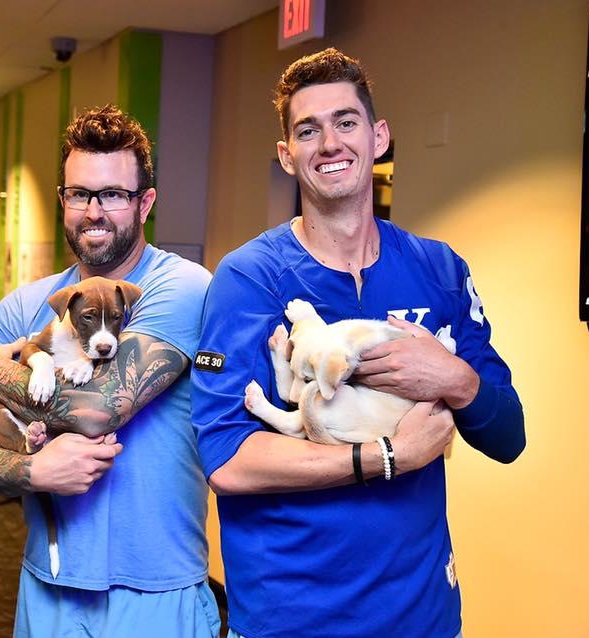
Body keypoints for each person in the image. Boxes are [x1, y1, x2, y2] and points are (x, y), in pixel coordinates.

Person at [191, 48, 526, 638]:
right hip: (291, 617)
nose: (330, 143)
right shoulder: (249, 279)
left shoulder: (439, 269)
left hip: (421, 616)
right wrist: (386, 458)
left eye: (346, 122)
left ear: (378, 137)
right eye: (307, 130)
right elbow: (227, 461)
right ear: (286, 157)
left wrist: (452, 378)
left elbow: (508, 436)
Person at [0, 105, 220, 638]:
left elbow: (97, 408)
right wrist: (33, 472)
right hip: (48, 582)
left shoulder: (181, 288)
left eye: (113, 195)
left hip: (158, 589)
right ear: (63, 199)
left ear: (145, 202)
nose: (94, 211)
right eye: (80, 194)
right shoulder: (22, 306)